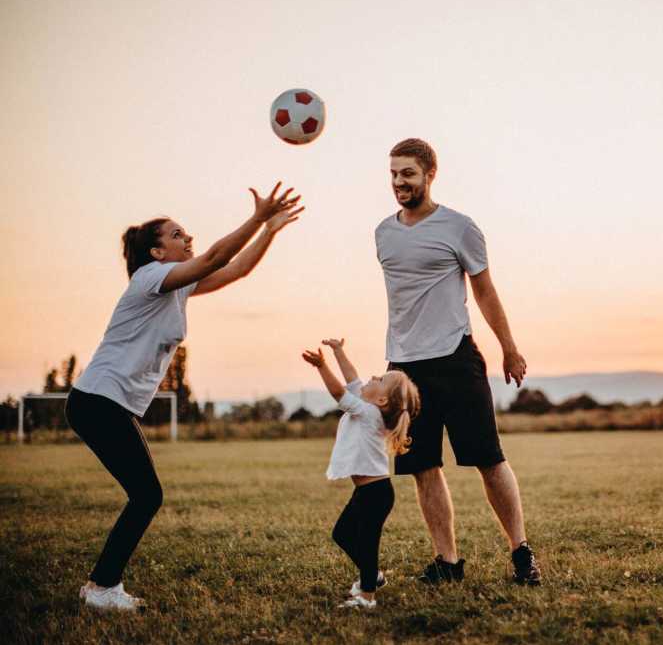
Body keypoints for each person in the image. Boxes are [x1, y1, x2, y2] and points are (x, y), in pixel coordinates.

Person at [68, 183, 303, 611]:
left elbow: (234, 270)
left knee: (145, 495)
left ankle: (101, 586)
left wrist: (268, 230)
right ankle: (101, 588)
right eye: (178, 235)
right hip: (97, 401)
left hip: (105, 404)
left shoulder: (176, 286)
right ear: (156, 252)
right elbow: (216, 258)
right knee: (146, 495)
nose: (188, 238)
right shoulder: (151, 278)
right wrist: (255, 218)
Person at [376, 138, 541, 585]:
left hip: (455, 359)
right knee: (422, 467)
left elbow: (485, 291)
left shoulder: (460, 227)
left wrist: (509, 347)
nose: (398, 182)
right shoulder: (383, 233)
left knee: (488, 458)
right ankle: (447, 562)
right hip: (404, 369)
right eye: (393, 173)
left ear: (430, 174)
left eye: (407, 173)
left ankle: (521, 554)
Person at [301, 338, 421, 609]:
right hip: (368, 491)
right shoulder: (370, 408)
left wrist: (322, 366)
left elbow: (338, 393)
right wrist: (339, 351)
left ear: (380, 399)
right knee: (341, 534)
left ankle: (367, 596)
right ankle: (374, 576)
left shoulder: (367, 413)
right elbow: (353, 380)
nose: (371, 377)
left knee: (367, 544)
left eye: (378, 379)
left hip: (375, 494)